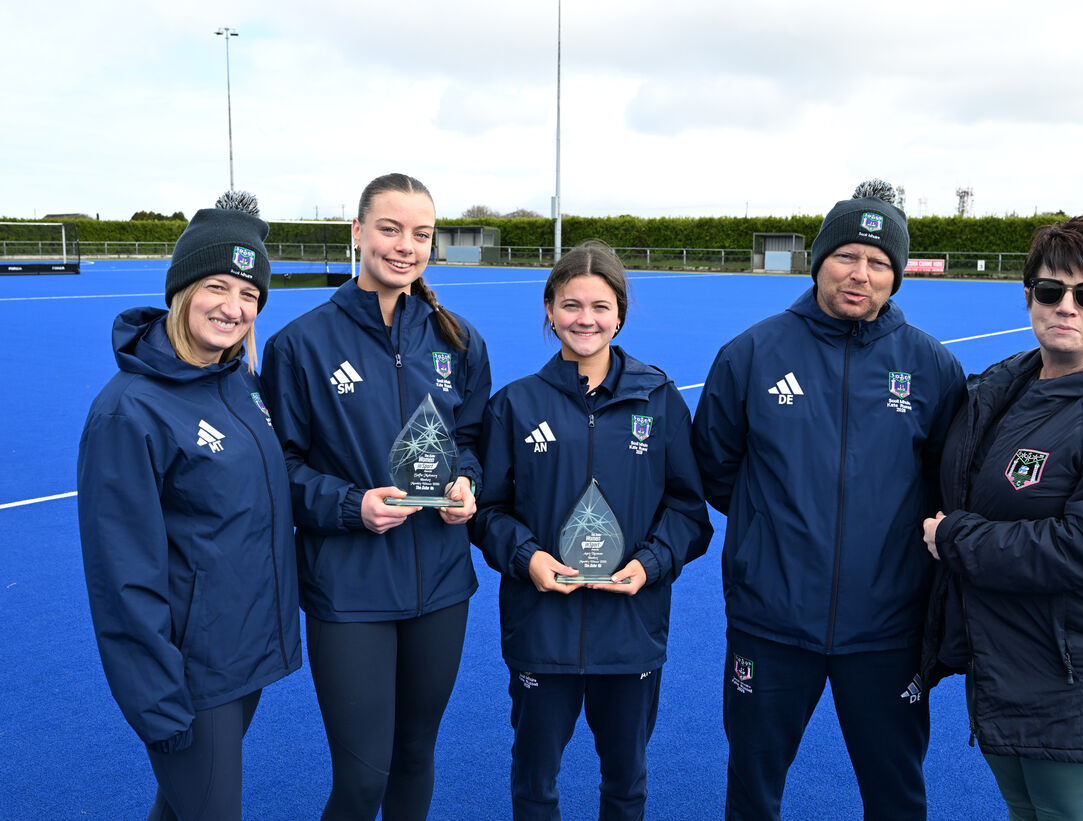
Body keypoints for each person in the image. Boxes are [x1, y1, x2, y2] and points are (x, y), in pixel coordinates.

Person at [691, 180, 966, 820]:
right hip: (772, 620)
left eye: (878, 263)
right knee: (753, 790)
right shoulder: (752, 354)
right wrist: (777, 529)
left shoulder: (930, 366)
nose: (860, 274)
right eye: (846, 255)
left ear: (896, 276)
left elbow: (945, 480)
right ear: (820, 260)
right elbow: (716, 467)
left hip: (889, 626)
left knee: (896, 793)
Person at [921, 217, 1083, 821]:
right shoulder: (1003, 384)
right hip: (1005, 655)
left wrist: (953, 537)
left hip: (1077, 671)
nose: (1067, 307)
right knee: (1023, 809)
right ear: (1028, 296)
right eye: (1049, 290)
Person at [260, 173, 490, 821]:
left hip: (441, 584)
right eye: (389, 228)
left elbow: (472, 439)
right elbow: (280, 469)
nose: (405, 245)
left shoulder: (459, 340)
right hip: (350, 590)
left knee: (416, 757)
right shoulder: (300, 345)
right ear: (357, 232)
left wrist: (467, 481)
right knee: (363, 780)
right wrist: (351, 505)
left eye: (420, 233)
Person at [78, 192, 300, 821]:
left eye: (249, 294)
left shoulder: (237, 382)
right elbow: (121, 576)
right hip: (190, 675)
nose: (234, 308)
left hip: (242, 657)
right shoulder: (128, 410)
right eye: (218, 287)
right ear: (182, 289)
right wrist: (156, 698)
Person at [473, 240, 712, 821]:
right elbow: (487, 511)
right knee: (535, 784)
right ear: (550, 309)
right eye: (572, 305)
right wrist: (526, 557)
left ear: (620, 313)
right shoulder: (515, 405)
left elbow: (690, 511)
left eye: (601, 306)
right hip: (541, 631)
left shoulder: (657, 400)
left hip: (630, 630)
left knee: (626, 783)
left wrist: (650, 564)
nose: (586, 319)